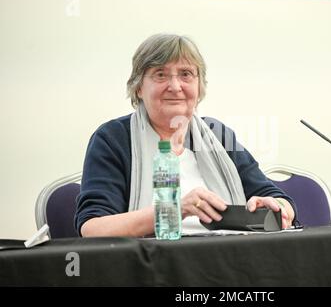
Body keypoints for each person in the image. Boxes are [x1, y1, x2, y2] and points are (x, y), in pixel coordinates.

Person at [75, 33, 298, 237]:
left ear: (199, 87)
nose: (175, 86)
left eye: (186, 74)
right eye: (160, 74)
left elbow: (277, 198)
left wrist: (277, 207)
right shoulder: (113, 139)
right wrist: (175, 210)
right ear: (138, 88)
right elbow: (93, 228)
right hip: (149, 266)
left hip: (229, 260)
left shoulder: (217, 135)